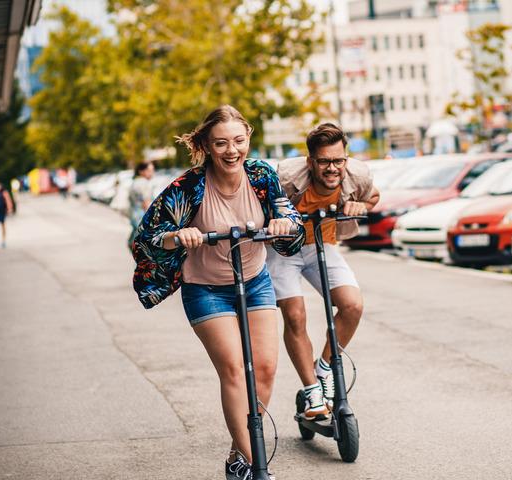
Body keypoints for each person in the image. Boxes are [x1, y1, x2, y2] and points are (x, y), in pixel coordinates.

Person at [131, 105, 305, 479]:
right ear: (207, 146)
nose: (232, 150)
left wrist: (283, 223)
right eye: (222, 143)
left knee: (264, 370)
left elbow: (290, 216)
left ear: (248, 138)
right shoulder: (188, 186)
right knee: (234, 370)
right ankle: (258, 466)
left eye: (238, 141)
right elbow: (145, 238)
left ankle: (238, 456)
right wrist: (178, 235)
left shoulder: (261, 175)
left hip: (255, 280)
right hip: (206, 288)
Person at [266, 123, 379, 421]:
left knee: (352, 306)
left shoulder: (357, 175)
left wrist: (359, 205)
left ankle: (325, 367)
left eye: (338, 160)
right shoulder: (285, 179)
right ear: (310, 161)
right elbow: (258, 208)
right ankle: (312, 390)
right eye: (324, 161)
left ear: (346, 158)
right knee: (295, 316)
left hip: (321, 243)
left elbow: (373, 197)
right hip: (283, 248)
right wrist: (274, 219)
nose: (332, 168)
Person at [127, 161, 156, 249]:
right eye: (149, 170)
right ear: (141, 171)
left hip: (134, 216)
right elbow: (146, 203)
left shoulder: (134, 182)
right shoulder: (144, 183)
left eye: (152, 170)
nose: (152, 173)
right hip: (142, 217)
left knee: (134, 242)